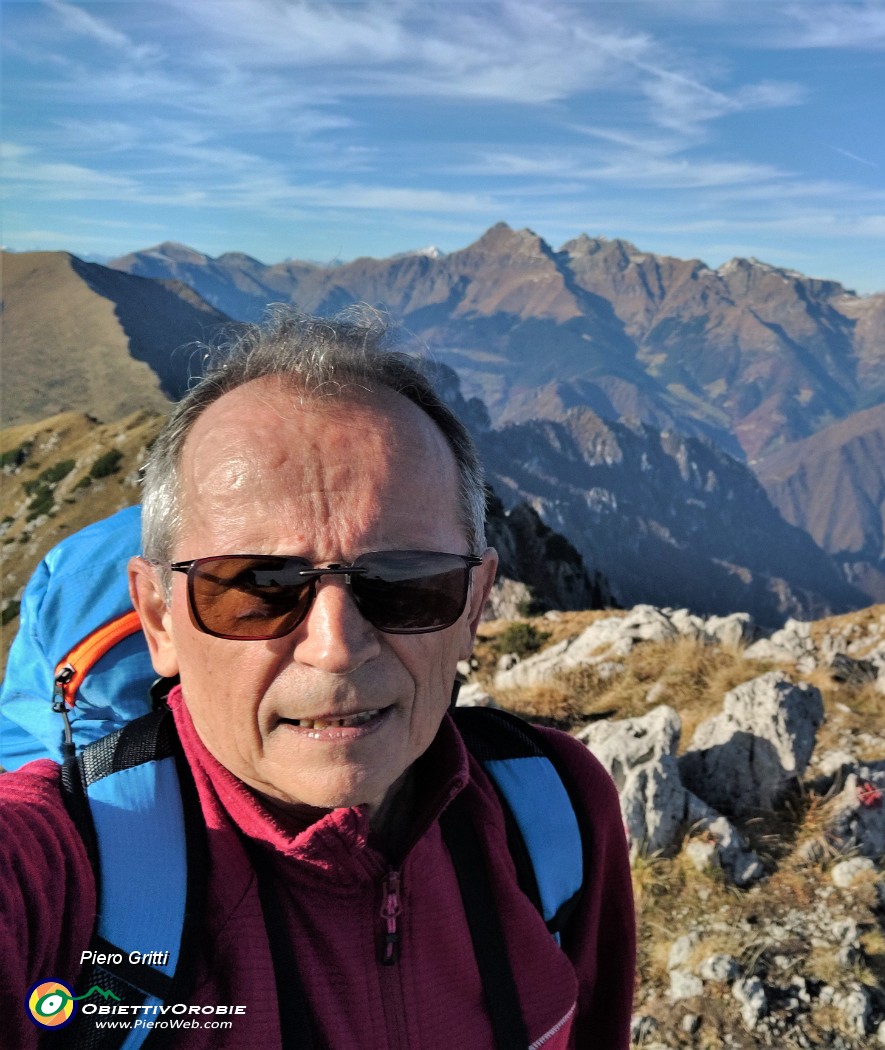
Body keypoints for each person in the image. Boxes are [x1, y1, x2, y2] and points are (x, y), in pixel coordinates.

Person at [0, 308, 636, 1048]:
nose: (335, 647)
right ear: (159, 617)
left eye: (407, 581)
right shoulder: (63, 872)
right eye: (255, 587)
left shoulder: (555, 809)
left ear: (474, 606)